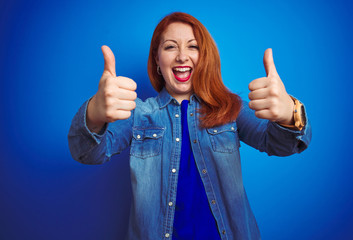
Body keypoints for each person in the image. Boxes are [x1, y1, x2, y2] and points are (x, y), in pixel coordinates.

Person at [68, 12, 311, 240]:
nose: (182, 56)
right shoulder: (138, 114)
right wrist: (94, 114)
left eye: (192, 46)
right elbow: (87, 153)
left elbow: (285, 145)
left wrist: (290, 113)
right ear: (157, 59)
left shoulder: (231, 108)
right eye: (170, 46)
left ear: (203, 56)